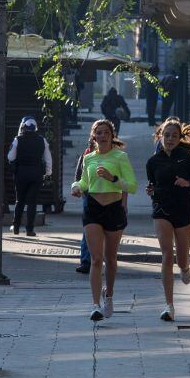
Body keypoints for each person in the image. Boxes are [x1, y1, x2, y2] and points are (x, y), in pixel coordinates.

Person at [71, 119, 138, 321]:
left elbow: (132, 186)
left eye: (105, 132)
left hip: (113, 208)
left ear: (111, 135)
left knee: (110, 258)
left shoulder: (120, 157)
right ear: (94, 136)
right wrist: (76, 187)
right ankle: (95, 305)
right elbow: (84, 181)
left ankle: (108, 296)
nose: (102, 136)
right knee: (96, 259)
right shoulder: (89, 158)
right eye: (98, 133)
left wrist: (113, 179)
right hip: (93, 208)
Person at [146, 119, 190, 321]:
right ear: (160, 137)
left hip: (183, 210)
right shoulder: (153, 162)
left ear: (180, 138)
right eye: (166, 135)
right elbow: (153, 186)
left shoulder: (187, 159)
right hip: (162, 210)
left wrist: (187, 182)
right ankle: (169, 306)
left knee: (181, 258)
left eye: (174, 136)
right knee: (166, 255)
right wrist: (152, 191)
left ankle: (185, 266)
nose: (170, 139)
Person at [7, 116, 52, 236]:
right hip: (36, 173)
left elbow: (10, 157)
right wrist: (48, 172)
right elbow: (48, 159)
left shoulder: (17, 139)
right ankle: (30, 229)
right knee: (32, 202)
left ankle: (16, 227)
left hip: (20, 173)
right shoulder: (42, 140)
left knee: (20, 201)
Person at [74, 143, 94, 274]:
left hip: (109, 199)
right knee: (88, 230)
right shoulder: (86, 155)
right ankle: (86, 260)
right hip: (89, 196)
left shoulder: (115, 155)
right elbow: (78, 175)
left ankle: (106, 259)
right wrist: (77, 187)